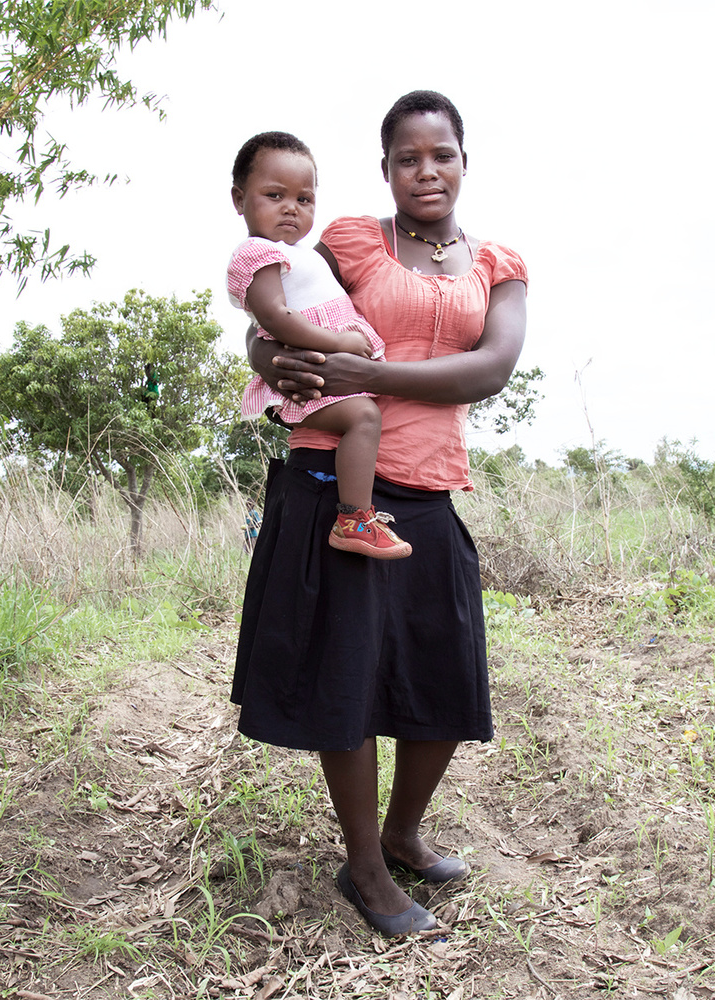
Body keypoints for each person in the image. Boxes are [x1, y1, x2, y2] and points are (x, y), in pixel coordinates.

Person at [232, 91, 528, 936]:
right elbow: (268, 287)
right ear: (387, 168)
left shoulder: (497, 265)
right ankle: (364, 867)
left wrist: (371, 377)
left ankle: (403, 833)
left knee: (443, 669)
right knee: (349, 679)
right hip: (339, 483)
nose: (425, 170)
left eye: (441, 154)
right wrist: (269, 356)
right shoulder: (354, 239)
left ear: (464, 161)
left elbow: (493, 367)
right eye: (407, 157)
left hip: (429, 486)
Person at [229, 131, 411, 560]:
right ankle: (353, 519)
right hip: (314, 371)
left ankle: (356, 517)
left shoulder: (298, 253)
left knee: (366, 417)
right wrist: (341, 342)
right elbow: (274, 317)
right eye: (274, 195)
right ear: (240, 199)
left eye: (304, 199)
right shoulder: (255, 252)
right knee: (363, 418)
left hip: (328, 364)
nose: (291, 208)